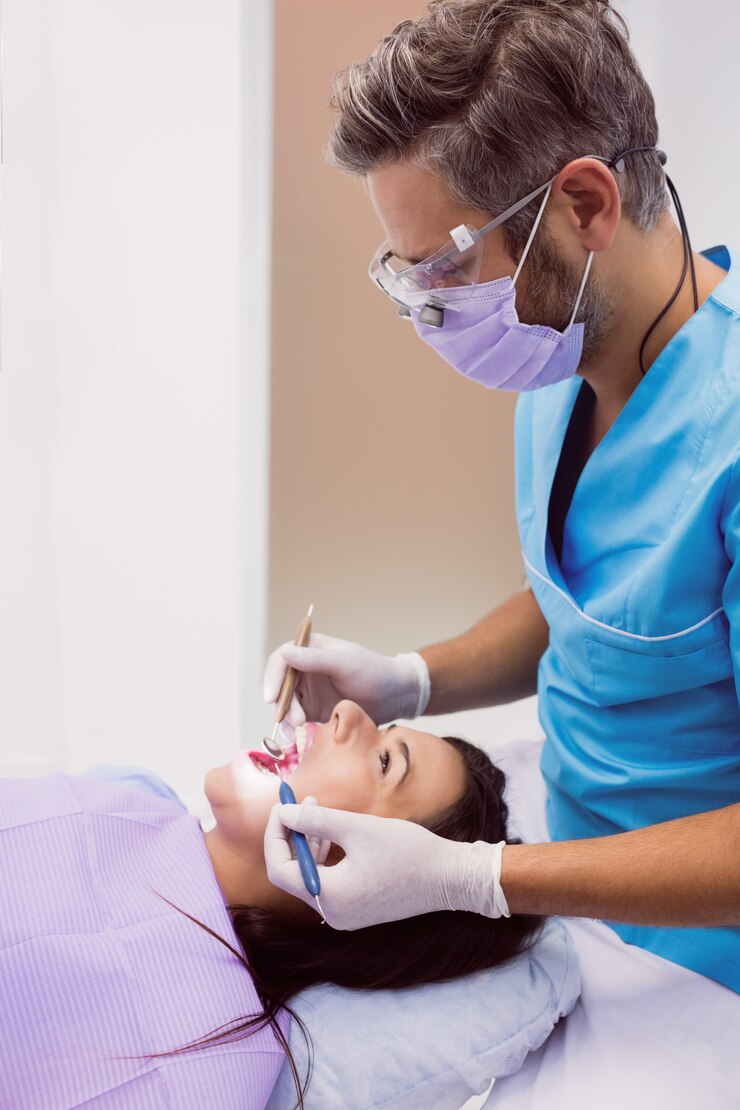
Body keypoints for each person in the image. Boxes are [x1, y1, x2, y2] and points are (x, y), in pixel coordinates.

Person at [263, 0, 740, 1104]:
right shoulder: (563, 357)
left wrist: (484, 879)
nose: (430, 311)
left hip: (697, 966)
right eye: (404, 275)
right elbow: (594, 601)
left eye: (444, 269)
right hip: (564, 875)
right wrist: (415, 676)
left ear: (582, 204)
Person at [0, 700, 540, 1110]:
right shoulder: (126, 794)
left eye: (383, 761)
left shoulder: (219, 1068)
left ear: (373, 881)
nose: (347, 709)